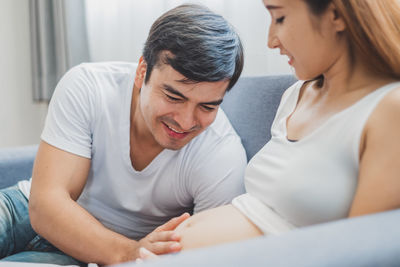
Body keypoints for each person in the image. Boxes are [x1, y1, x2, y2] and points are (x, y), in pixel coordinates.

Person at [139, 0, 400, 256]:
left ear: (335, 15)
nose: (271, 41)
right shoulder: (297, 95)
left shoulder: (389, 110)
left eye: (280, 18)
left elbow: (365, 256)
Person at [0, 4, 246, 266]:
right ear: (142, 71)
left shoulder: (221, 155)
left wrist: (131, 255)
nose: (186, 122)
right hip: (24, 210)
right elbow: (46, 205)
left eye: (207, 106)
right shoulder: (88, 86)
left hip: (95, 253)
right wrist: (130, 253)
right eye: (173, 96)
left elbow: (212, 257)